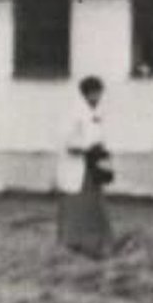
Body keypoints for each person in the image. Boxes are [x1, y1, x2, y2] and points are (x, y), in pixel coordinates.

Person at [56, 74, 115, 259]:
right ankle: (72, 242)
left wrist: (100, 149)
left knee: (94, 203)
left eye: (99, 94)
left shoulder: (92, 113)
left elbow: (96, 135)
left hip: (90, 165)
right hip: (77, 165)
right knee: (76, 203)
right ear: (87, 93)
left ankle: (97, 242)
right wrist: (84, 148)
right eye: (95, 93)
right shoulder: (74, 112)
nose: (98, 97)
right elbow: (68, 140)